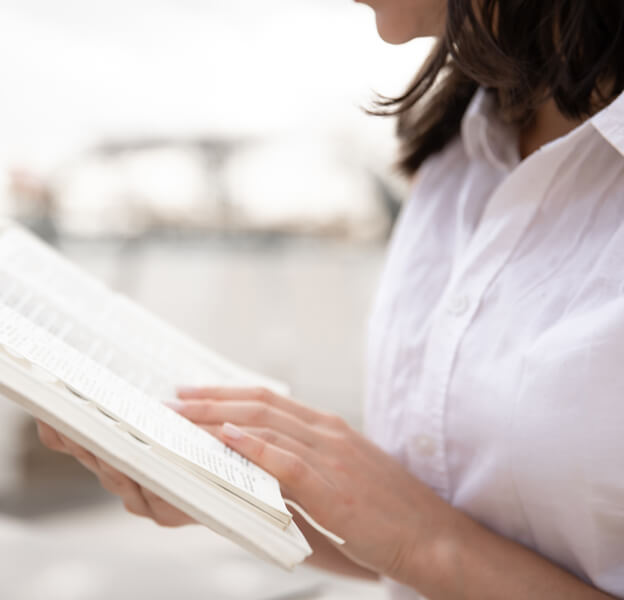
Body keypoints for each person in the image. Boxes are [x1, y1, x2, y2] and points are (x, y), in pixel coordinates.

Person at [37, 1, 624, 597]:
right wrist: (240, 492)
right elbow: (435, 546)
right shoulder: (459, 154)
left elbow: (433, 542)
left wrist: (425, 539)